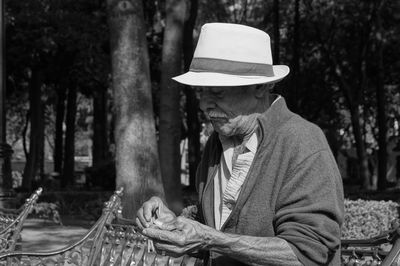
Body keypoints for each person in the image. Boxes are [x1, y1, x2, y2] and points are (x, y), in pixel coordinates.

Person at [136, 23, 344, 266]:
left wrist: (210, 239)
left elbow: (307, 253)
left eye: (217, 92)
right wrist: (174, 224)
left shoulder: (302, 142)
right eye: (201, 91)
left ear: (259, 87)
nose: (204, 104)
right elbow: (216, 225)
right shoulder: (217, 142)